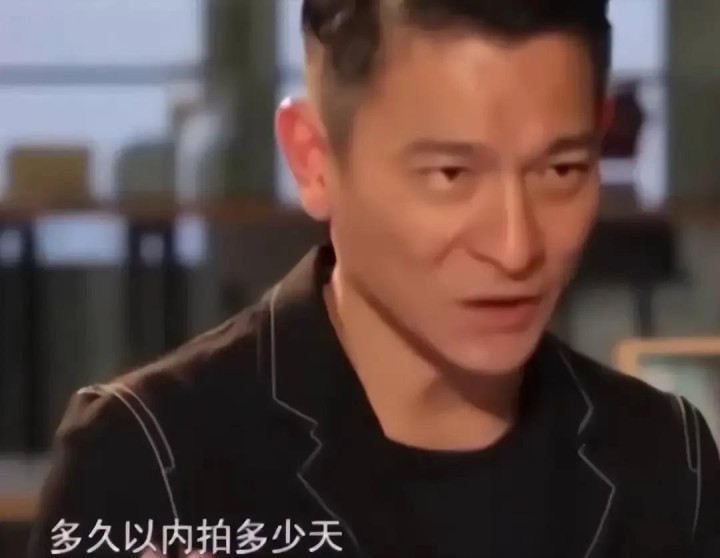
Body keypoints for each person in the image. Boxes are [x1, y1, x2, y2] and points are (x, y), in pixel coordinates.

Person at [30, 1, 720, 557]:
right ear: (314, 160)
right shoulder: (154, 462)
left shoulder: (667, 461)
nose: (516, 247)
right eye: (450, 174)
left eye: (561, 170)